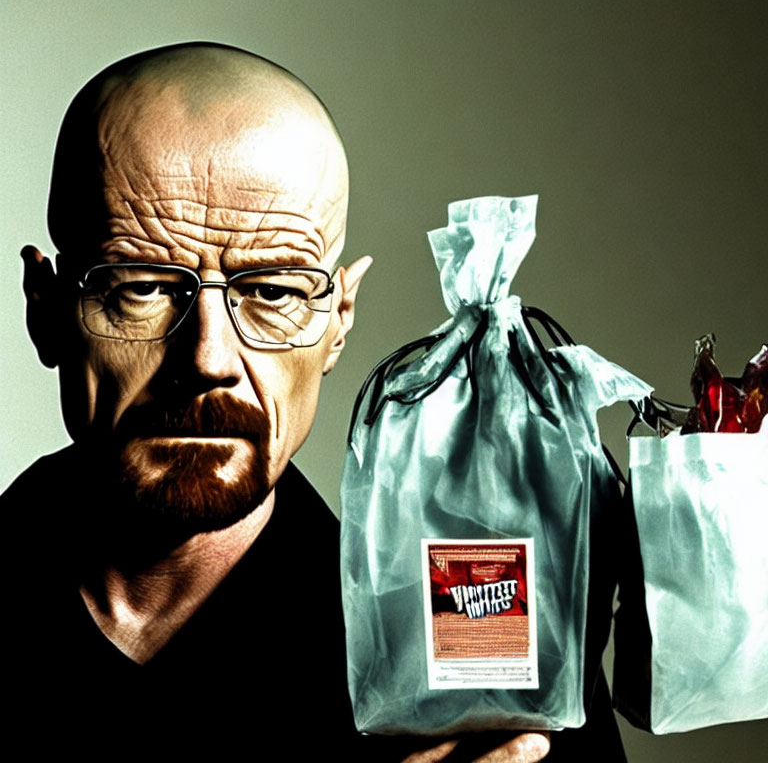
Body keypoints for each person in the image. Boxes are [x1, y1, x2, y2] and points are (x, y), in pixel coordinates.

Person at [4, 43, 622, 761]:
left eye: (273, 292)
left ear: (337, 323)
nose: (208, 361)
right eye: (141, 286)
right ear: (45, 310)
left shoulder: (473, 676)